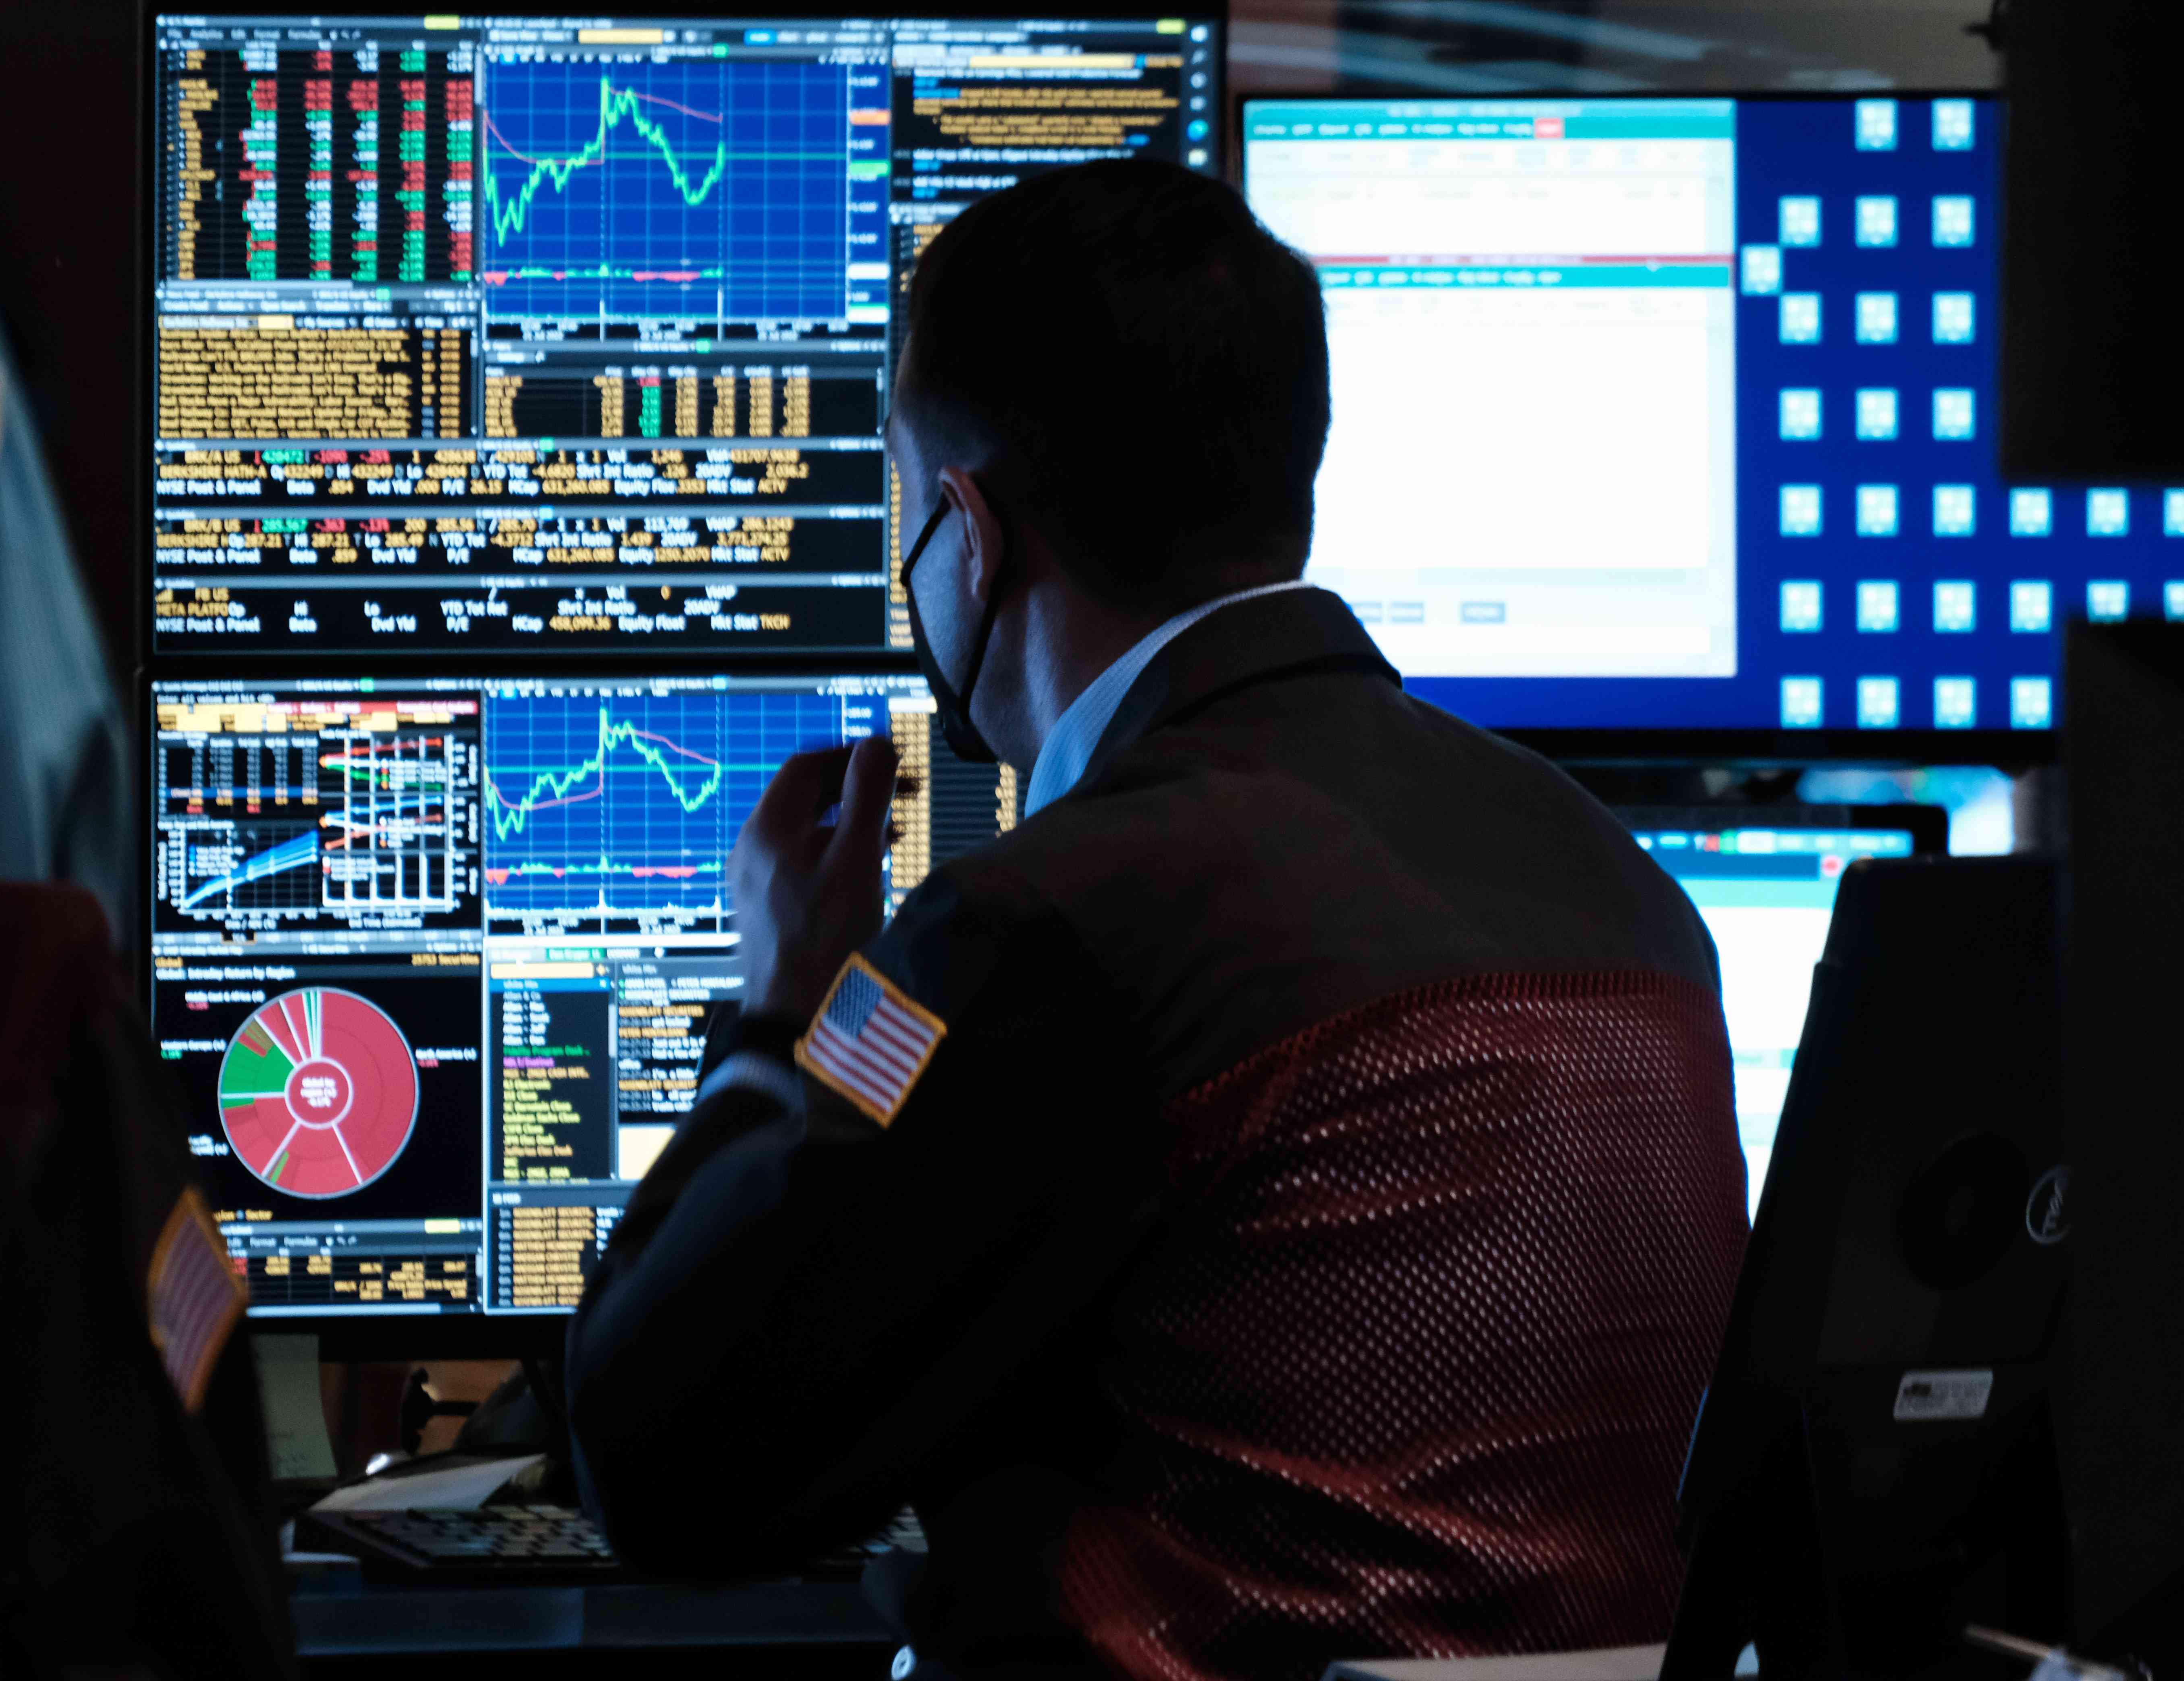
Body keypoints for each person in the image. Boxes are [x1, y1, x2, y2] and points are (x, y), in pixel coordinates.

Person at [564, 160, 1748, 1681]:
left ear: (969, 538)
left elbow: (665, 1467)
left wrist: (792, 1013)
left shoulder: (1027, 923)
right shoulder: (1626, 885)